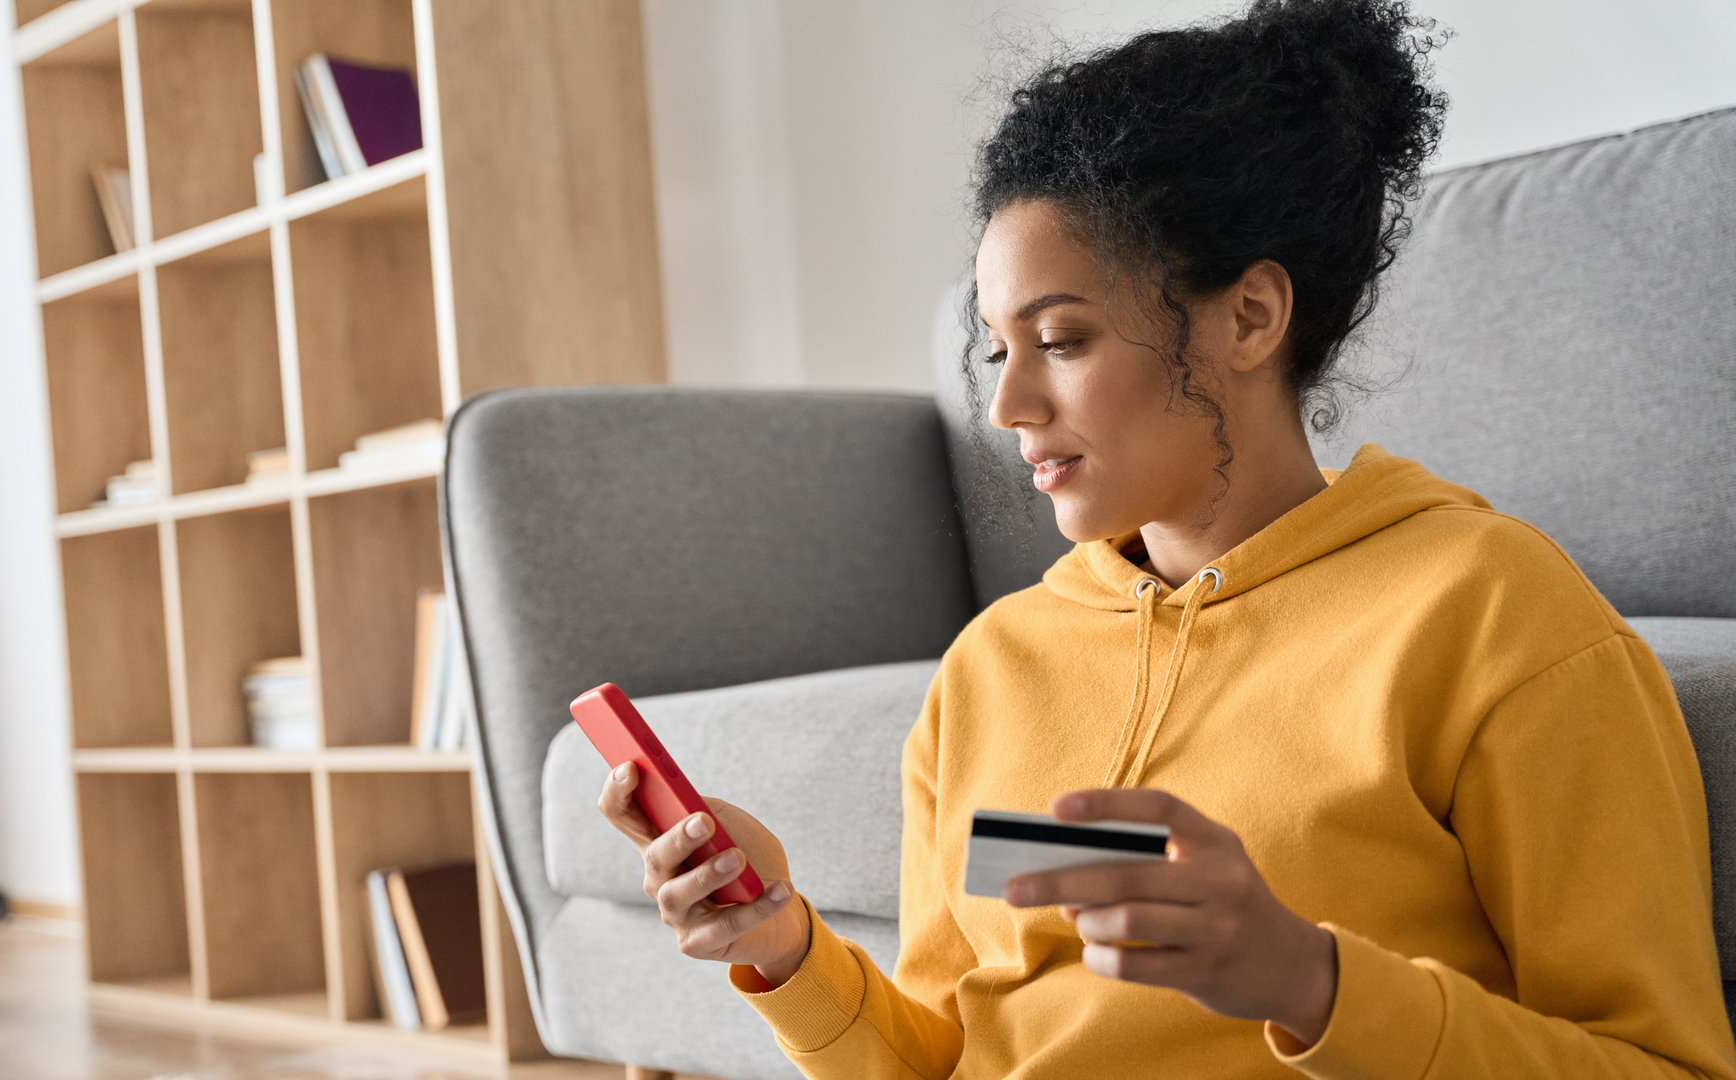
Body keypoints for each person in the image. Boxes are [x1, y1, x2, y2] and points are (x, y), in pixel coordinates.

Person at [597, 0, 1736, 1075]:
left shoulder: (1492, 616)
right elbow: (947, 1053)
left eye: (1064, 338)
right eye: (1000, 350)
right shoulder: (993, 671)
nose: (1008, 406)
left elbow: (1658, 1061)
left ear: (1250, 316)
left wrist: (1312, 982)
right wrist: (786, 945)